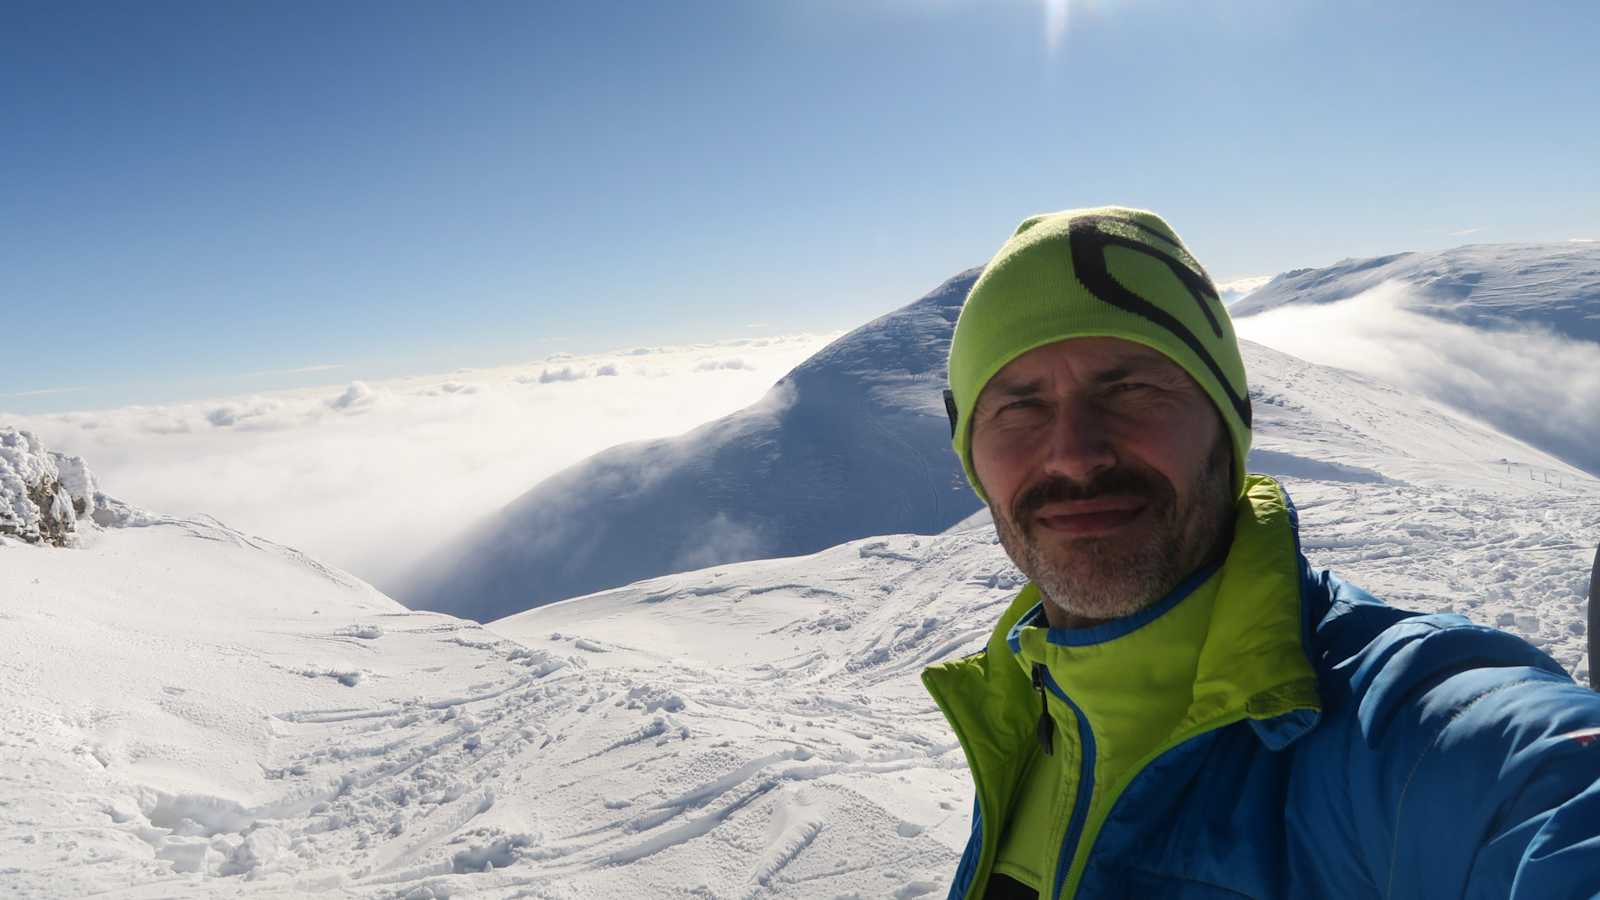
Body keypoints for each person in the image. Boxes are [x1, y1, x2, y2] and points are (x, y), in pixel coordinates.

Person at [922, 207, 1600, 900]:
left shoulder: (1397, 726)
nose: (1073, 455)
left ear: (1228, 419)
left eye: (1130, 389)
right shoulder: (1024, 712)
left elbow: (1543, 790)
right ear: (972, 453)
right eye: (1019, 406)